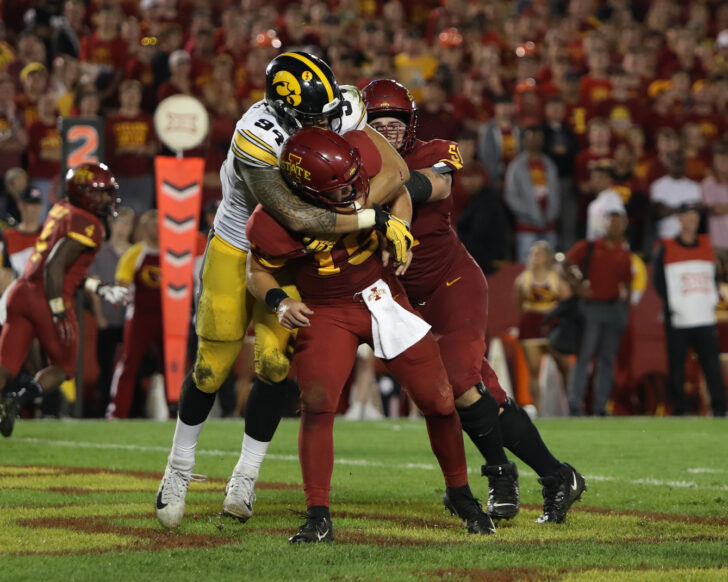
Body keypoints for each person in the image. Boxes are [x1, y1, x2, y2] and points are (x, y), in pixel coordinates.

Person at [154, 51, 414, 530]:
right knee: (211, 368)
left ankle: (246, 474)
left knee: (275, 365)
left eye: (329, 111)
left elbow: (395, 172)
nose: (325, 123)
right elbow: (292, 217)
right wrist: (369, 216)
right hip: (241, 243)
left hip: (300, 254)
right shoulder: (257, 135)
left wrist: (385, 215)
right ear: (282, 110)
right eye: (311, 118)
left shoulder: (347, 106)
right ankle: (179, 469)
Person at [246, 126, 495, 542]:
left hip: (382, 294)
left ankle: (460, 492)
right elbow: (257, 270)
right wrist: (279, 302)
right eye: (338, 189)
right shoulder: (273, 218)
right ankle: (317, 513)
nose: (351, 194)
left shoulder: (359, 166)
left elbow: (399, 188)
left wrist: (400, 230)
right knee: (318, 401)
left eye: (352, 182)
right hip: (326, 309)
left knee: (439, 399)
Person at [363, 79, 585, 525]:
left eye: (395, 122)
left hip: (453, 284)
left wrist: (365, 193)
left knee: (461, 381)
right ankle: (558, 476)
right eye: (377, 123)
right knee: (480, 397)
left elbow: (435, 188)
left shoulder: (434, 151)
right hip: (406, 299)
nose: (387, 130)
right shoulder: (354, 164)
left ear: (411, 126)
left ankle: (500, 475)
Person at [0, 164, 129, 437]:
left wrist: (99, 287)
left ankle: (10, 397)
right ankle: (17, 400)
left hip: (20, 291)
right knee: (64, 366)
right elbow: (55, 267)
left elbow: (67, 269)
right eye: (102, 194)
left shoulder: (62, 208)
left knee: (6, 364)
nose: (107, 199)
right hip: (47, 295)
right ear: (85, 195)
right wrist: (57, 310)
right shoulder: (90, 223)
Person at [652, 202, 727, 417]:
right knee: (676, 367)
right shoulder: (666, 247)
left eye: (695, 217)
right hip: (678, 319)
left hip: (704, 317)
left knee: (712, 366)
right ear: (679, 219)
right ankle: (678, 411)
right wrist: (674, 305)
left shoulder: (706, 244)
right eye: (688, 217)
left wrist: (709, 302)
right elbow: (658, 281)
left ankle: (720, 410)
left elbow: (713, 276)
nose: (693, 221)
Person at [563, 210, 632, 416]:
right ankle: (575, 405)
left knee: (607, 359)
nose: (615, 227)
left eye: (618, 224)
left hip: (613, 308)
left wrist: (624, 309)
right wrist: (577, 285)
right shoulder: (589, 246)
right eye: (611, 223)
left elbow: (627, 282)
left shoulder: (624, 252)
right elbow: (566, 263)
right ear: (604, 225)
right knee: (584, 356)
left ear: (624, 227)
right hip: (591, 307)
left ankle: (600, 407)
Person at [106, 210, 162, 419]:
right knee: (129, 363)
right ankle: (116, 412)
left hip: (167, 317)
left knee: (173, 364)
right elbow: (121, 284)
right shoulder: (135, 254)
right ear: (143, 229)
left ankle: (176, 410)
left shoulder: (173, 254)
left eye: (159, 225)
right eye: (151, 225)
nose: (156, 229)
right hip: (140, 315)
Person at [514, 241, 572, 412]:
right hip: (530, 326)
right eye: (533, 254)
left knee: (565, 367)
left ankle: (572, 406)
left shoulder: (555, 278)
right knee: (533, 371)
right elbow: (518, 304)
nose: (535, 257)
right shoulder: (523, 279)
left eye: (539, 254)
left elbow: (568, 302)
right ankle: (538, 409)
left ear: (547, 257)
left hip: (552, 326)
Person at [504, 123, 561, 263]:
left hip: (549, 226)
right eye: (531, 137)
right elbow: (511, 196)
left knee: (549, 269)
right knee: (526, 270)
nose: (535, 141)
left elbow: (556, 194)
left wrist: (550, 215)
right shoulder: (516, 166)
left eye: (538, 138)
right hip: (526, 228)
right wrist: (532, 215)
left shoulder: (549, 164)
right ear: (524, 140)